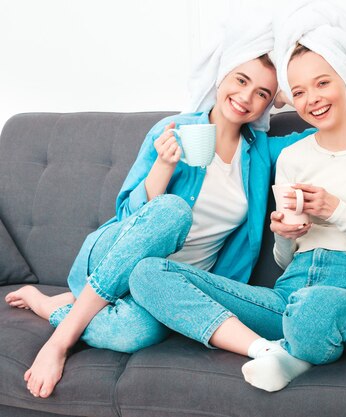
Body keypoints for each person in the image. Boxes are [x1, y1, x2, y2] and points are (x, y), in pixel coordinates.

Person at [4, 14, 314, 399]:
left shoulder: (262, 154)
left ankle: (52, 304)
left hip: (161, 283)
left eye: (263, 93)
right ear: (222, 77)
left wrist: (294, 88)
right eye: (241, 80)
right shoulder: (172, 130)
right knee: (173, 212)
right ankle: (59, 341)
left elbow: (327, 129)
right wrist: (164, 168)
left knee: (135, 333)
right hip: (110, 256)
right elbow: (129, 220)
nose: (247, 97)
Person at [128, 0, 346, 392]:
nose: (311, 99)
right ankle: (271, 351)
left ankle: (295, 343)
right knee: (147, 272)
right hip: (288, 295)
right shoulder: (293, 157)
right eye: (298, 92)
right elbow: (285, 262)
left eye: (322, 83)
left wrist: (338, 212)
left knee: (314, 312)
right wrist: (285, 234)